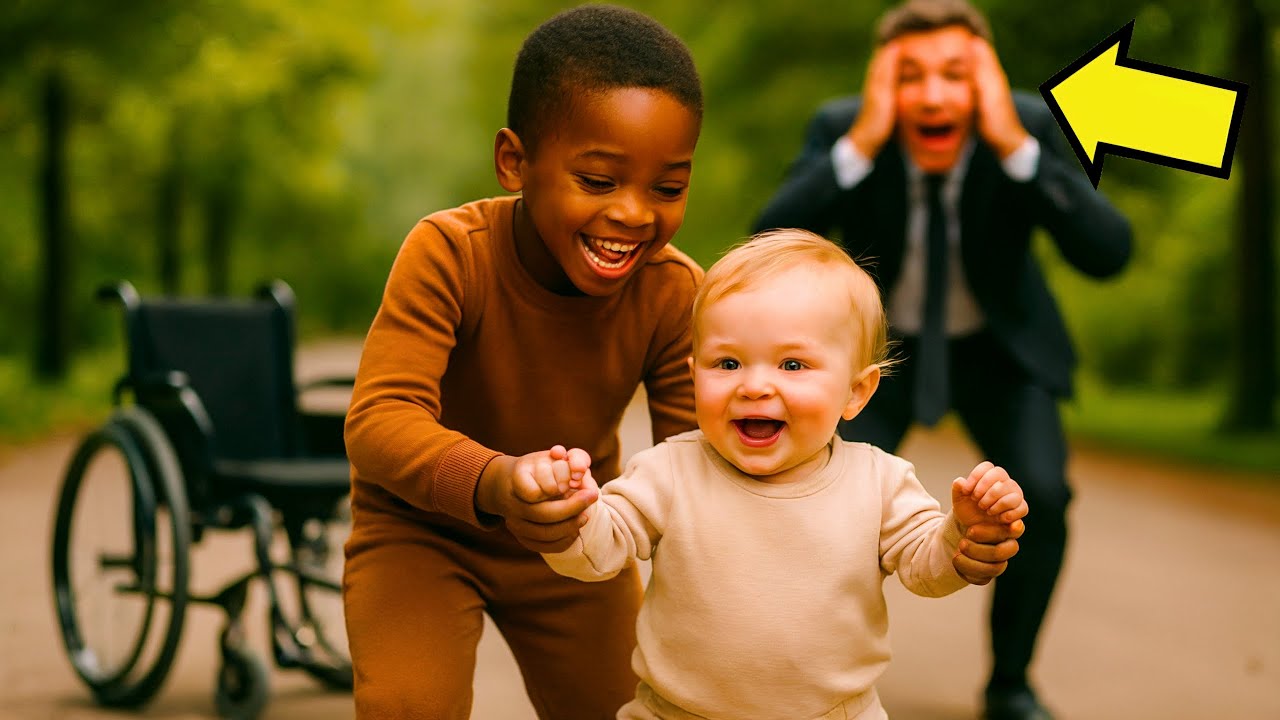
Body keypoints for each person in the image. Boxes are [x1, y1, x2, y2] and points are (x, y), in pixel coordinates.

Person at [751, 1, 1133, 719]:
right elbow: (767, 242)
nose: (931, 96)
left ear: (986, 82)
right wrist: (861, 144)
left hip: (1001, 349)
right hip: (879, 357)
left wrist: (1016, 148)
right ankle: (805, 673)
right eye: (910, 77)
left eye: (955, 75)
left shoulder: (1026, 127)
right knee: (820, 498)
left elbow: (1109, 253)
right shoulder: (844, 131)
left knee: (1044, 497)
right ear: (880, 84)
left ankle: (1010, 684)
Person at [341, 6, 707, 718]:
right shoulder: (452, 253)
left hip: (579, 538)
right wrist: (498, 482)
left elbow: (700, 461)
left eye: (667, 188)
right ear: (516, 162)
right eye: (599, 181)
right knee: (408, 707)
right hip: (421, 531)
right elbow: (379, 421)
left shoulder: (673, 293)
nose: (635, 214)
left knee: (635, 708)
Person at [535, 230, 1030, 720]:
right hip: (676, 712)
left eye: (792, 364)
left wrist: (964, 535)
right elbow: (600, 552)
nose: (754, 386)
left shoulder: (878, 483)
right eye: (727, 363)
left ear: (856, 392)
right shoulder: (669, 471)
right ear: (694, 376)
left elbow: (926, 569)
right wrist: (572, 512)